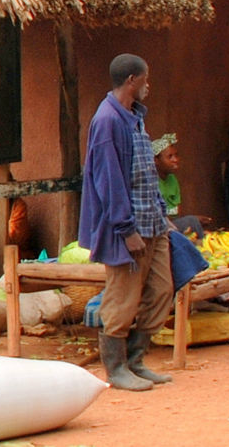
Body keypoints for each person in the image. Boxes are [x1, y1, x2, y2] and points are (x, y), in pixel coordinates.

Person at [78, 54, 173, 392]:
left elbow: (144, 172)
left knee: (161, 290)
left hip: (153, 222)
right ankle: (116, 368)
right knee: (122, 299)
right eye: (146, 79)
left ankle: (135, 359)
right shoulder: (107, 121)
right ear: (132, 80)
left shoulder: (133, 117)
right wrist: (125, 228)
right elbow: (109, 180)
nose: (149, 85)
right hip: (128, 228)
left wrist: (162, 214)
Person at [152, 133, 212, 239]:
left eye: (176, 155)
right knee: (192, 221)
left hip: (171, 224)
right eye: (170, 157)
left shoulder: (172, 179)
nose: (175, 160)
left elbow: (176, 211)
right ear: (156, 160)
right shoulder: (151, 182)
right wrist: (192, 219)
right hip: (157, 228)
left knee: (193, 224)